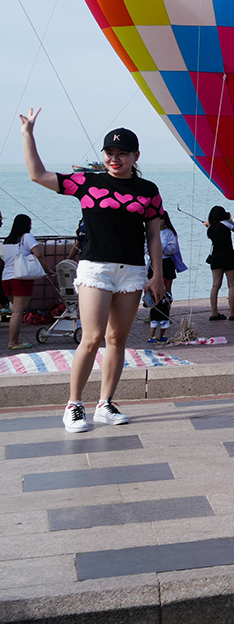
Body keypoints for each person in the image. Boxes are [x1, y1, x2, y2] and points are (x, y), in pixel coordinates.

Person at [21, 116, 166, 433]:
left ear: (135, 156)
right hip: (95, 269)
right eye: (110, 153)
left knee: (117, 339)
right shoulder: (87, 182)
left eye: (122, 153)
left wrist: (157, 273)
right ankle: (74, 404)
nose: (115, 159)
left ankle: (105, 403)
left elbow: (154, 235)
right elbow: (37, 175)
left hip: (132, 271)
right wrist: (27, 134)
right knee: (92, 337)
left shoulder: (148, 191)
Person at [4, 214, 46, 350]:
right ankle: (14, 342)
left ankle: (13, 340)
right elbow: (38, 254)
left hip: (6, 278)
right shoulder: (27, 237)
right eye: (30, 223)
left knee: (15, 311)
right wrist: (48, 270)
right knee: (17, 311)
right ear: (26, 225)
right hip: (21, 278)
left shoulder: (7, 241)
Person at [203, 206, 234, 320]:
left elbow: (215, 234)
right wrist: (231, 221)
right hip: (228, 256)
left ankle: (214, 313)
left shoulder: (210, 229)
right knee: (232, 285)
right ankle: (232, 313)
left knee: (215, 285)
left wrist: (209, 225)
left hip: (215, 258)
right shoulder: (227, 224)